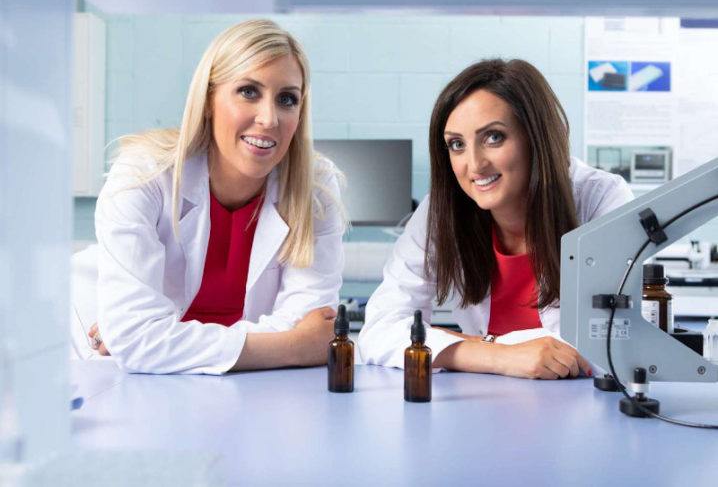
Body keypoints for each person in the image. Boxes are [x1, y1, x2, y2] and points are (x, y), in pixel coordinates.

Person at [71, 19, 345, 375]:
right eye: (249, 91)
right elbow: (135, 341)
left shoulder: (314, 188)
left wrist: (160, 341)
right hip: (94, 364)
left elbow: (313, 323)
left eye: (287, 99)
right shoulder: (145, 174)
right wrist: (291, 346)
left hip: (224, 379)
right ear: (209, 100)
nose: (269, 118)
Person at [358, 59, 633, 379]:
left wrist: (462, 344)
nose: (474, 165)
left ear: (537, 136)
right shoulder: (440, 212)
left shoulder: (601, 199)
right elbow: (378, 331)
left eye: (493, 138)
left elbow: (613, 341)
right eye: (457, 144)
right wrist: (497, 355)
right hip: (484, 400)